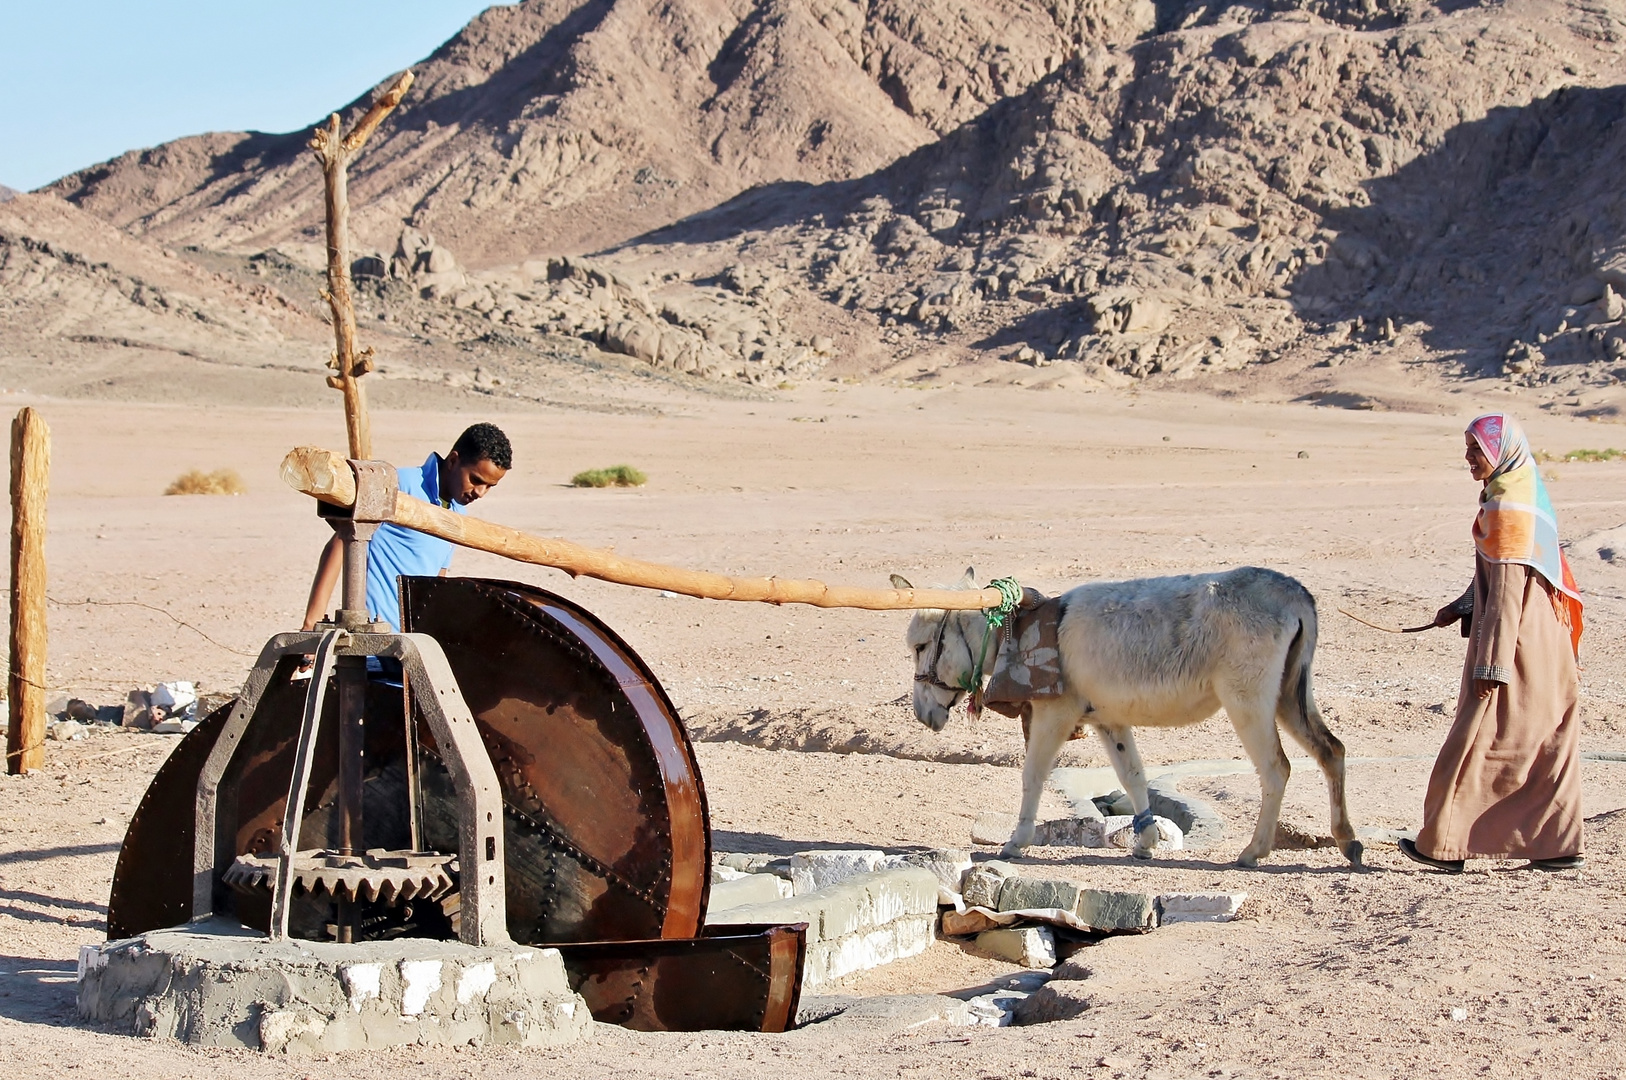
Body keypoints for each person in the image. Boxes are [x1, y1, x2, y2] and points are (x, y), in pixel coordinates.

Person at [1399, 413, 1586, 873]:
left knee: (1477, 737)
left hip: (1516, 644)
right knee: (1547, 742)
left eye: (1475, 450)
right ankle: (1558, 846)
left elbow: (1505, 593)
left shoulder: (1507, 509)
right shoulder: (1520, 495)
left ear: (1499, 453)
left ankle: (1441, 844)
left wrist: (1492, 665)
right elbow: (1509, 572)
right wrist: (1462, 606)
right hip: (1548, 641)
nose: (1468, 458)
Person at [301, 422, 512, 633]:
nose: (481, 492)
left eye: (490, 486)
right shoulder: (399, 485)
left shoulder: (458, 514)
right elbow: (341, 544)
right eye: (476, 480)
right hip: (372, 641)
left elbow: (437, 580)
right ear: (454, 460)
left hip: (412, 647)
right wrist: (312, 625)